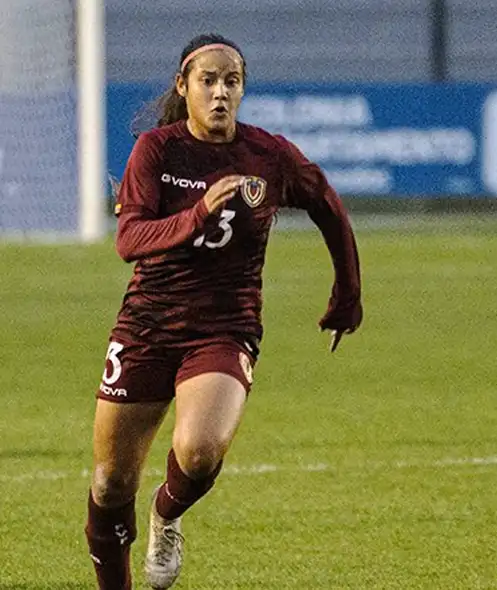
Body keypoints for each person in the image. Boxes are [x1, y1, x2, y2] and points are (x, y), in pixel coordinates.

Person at [85, 34, 363, 590]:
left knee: (201, 451)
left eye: (231, 81)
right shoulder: (156, 151)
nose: (219, 92)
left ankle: (166, 514)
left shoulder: (268, 155)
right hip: (148, 325)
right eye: (207, 81)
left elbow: (325, 200)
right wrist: (197, 214)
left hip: (224, 327)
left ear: (242, 89)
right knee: (112, 482)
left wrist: (348, 292)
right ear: (183, 87)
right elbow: (130, 238)